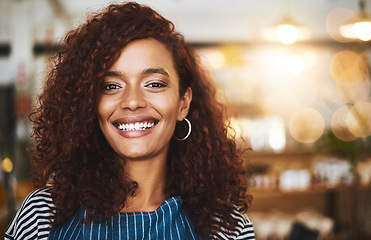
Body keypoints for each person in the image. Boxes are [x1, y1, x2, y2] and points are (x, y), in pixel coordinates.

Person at [5, 2, 255, 239]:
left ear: (183, 103)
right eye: (112, 86)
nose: (132, 101)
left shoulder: (227, 229)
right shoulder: (41, 216)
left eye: (154, 84)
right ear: (89, 104)